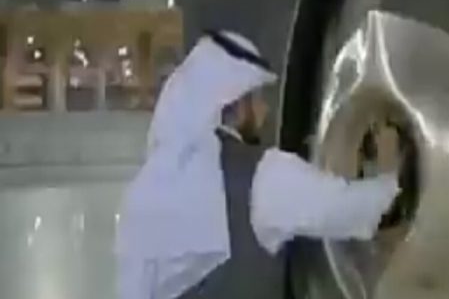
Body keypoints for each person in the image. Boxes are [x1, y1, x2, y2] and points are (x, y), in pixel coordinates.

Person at [116, 30, 399, 299]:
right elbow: (354, 209)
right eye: (258, 99)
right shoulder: (262, 178)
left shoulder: (144, 195)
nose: (264, 112)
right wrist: (390, 167)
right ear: (237, 105)